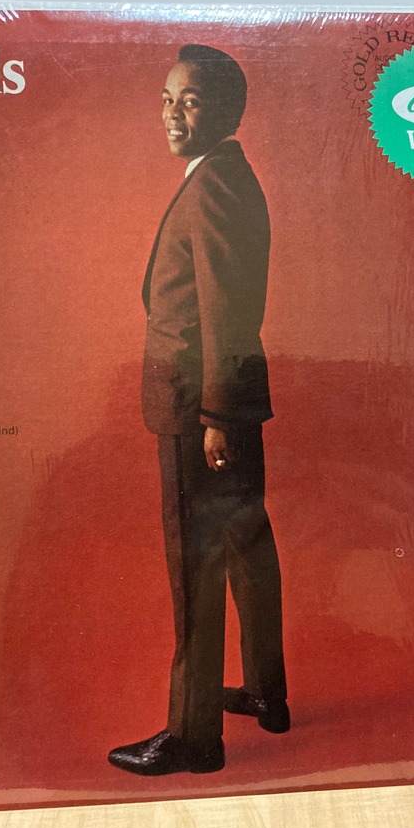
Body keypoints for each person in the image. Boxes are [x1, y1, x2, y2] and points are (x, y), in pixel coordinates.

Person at [109, 44, 288, 777]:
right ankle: (268, 694)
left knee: (197, 566)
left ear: (223, 111)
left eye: (188, 101)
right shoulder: (224, 176)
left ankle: (193, 738)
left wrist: (216, 417)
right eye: (166, 99)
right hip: (223, 403)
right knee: (247, 545)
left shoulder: (214, 184)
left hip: (200, 410)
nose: (171, 114)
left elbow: (225, 313)